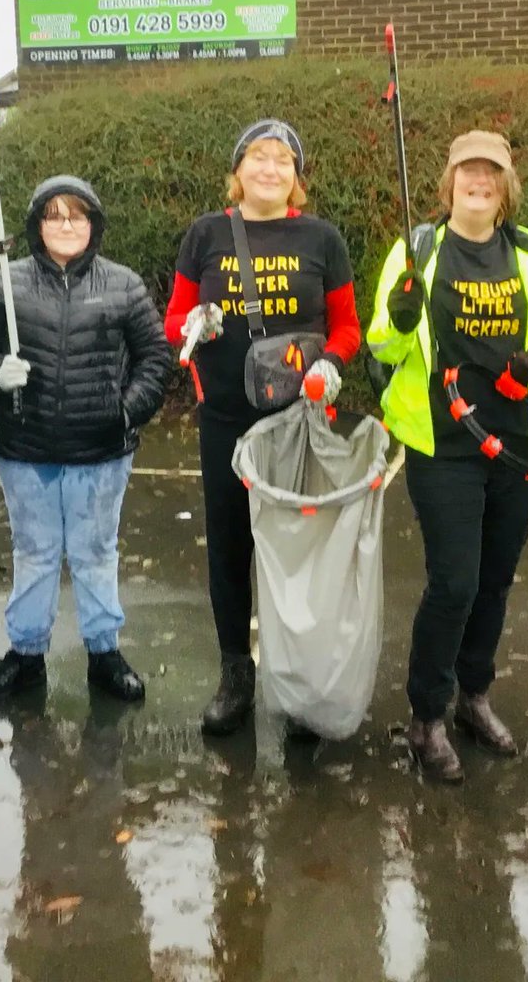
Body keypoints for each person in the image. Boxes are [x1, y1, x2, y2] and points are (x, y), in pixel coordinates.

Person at [367, 130, 528, 782]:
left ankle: (474, 698)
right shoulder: (418, 250)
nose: (478, 183)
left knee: (494, 579)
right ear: (450, 183)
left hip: (515, 443)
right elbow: (382, 346)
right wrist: (400, 319)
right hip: (444, 442)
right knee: (454, 580)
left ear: (505, 187)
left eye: (491, 175)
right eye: (468, 173)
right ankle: (427, 716)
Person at [163, 119, 361, 735]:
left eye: (282, 161)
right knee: (229, 550)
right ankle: (235, 676)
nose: (270, 170)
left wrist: (330, 364)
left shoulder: (322, 238)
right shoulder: (208, 235)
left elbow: (347, 328)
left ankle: (299, 680)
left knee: (298, 555)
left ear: (296, 177)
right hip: (225, 418)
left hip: (301, 418)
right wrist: (195, 324)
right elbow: (172, 323)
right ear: (238, 169)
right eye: (258, 158)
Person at [0, 176, 172, 706]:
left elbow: (154, 359)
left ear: (94, 224)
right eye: (54, 215)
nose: (66, 224)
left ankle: (104, 653)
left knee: (95, 552)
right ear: (37, 226)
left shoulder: (122, 285)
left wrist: (126, 413)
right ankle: (26, 656)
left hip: (99, 450)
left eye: (77, 215)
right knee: (34, 552)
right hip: (25, 448)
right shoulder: (6, 285)